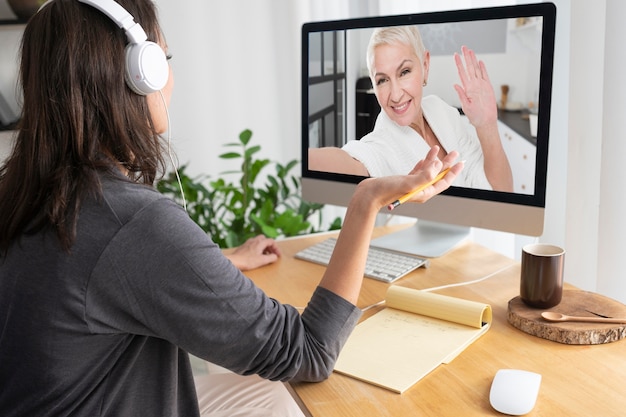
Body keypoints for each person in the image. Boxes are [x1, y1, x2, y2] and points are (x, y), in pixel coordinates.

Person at [0, 1, 462, 416]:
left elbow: (96, 277)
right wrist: (366, 200)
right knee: (301, 394)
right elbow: (307, 352)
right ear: (143, 74)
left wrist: (219, 261)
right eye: (166, 60)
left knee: (274, 398)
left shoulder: (22, 192)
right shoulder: (132, 223)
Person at [309, 25, 513, 192]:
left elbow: (500, 190)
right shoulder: (381, 143)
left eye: (404, 72)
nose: (396, 95)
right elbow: (350, 162)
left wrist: (487, 125)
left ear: (425, 65)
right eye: (382, 80)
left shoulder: (441, 111)